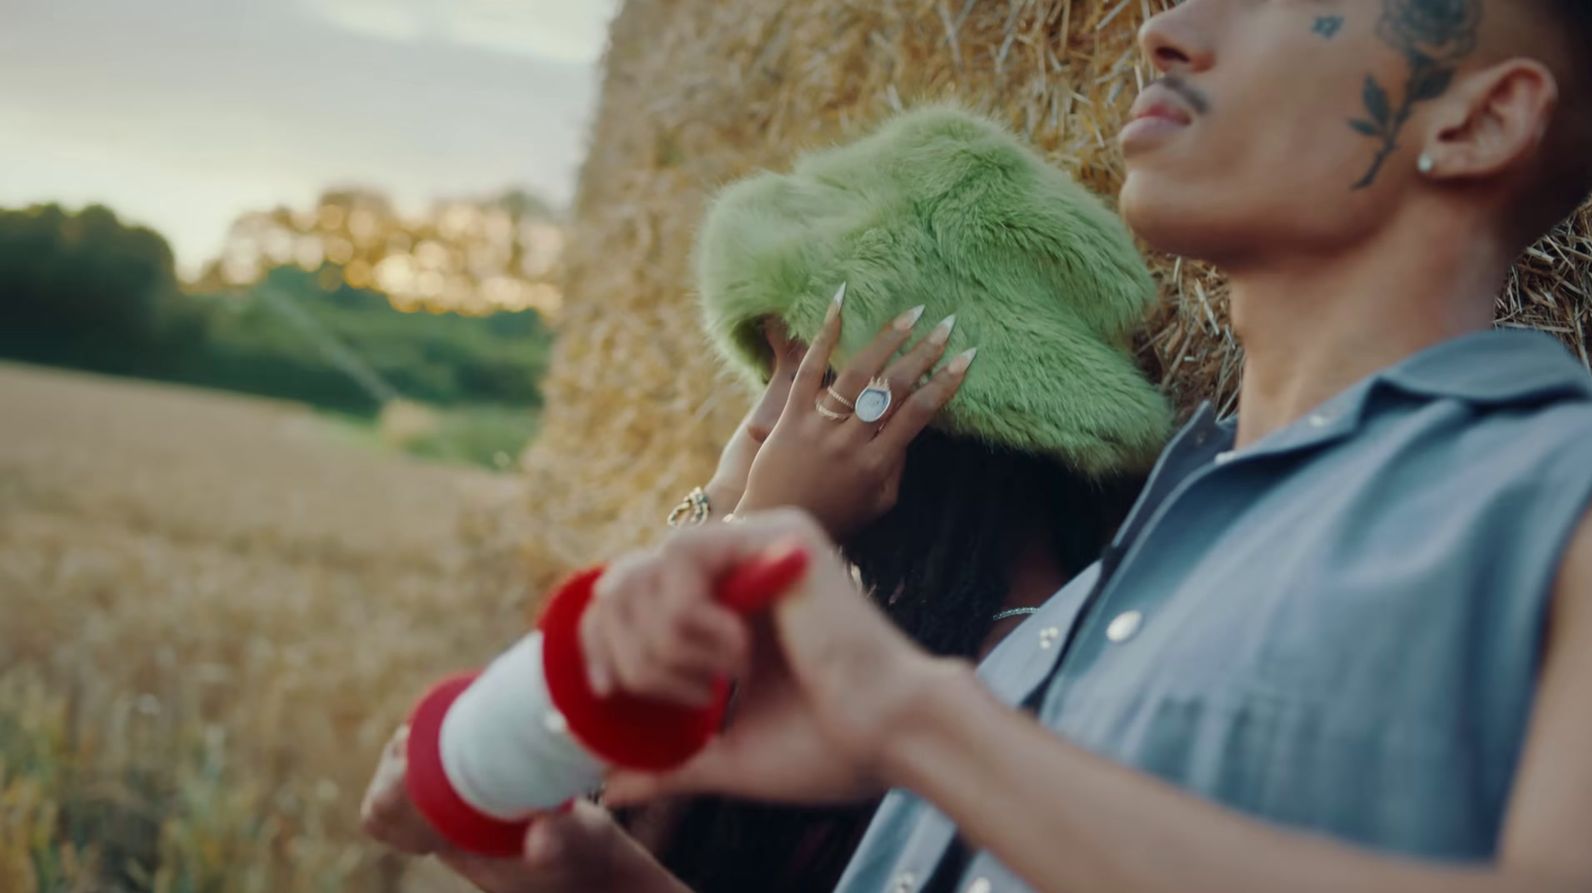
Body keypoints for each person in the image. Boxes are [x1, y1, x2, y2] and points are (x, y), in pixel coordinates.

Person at [562, 1, 1592, 892]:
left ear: (1479, 119)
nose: (1162, 29)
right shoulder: (1124, 577)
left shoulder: (1563, 506)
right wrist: (593, 873)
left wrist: (916, 724)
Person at [362, 108, 1172, 891]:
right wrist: (730, 509)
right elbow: (595, 807)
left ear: (945, 417)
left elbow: (602, 851)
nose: (763, 423)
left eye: (816, 376)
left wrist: (763, 535)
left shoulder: (1045, 701)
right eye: (773, 376)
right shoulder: (852, 644)